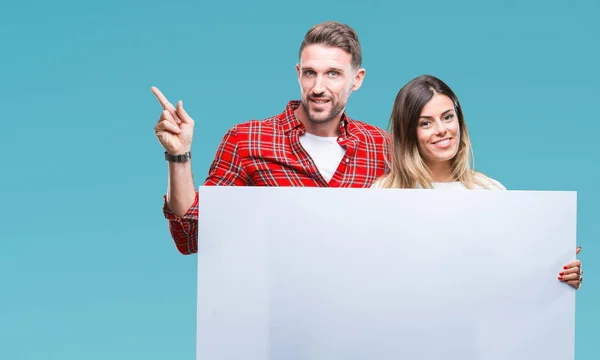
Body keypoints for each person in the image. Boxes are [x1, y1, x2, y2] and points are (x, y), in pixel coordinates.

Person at [152, 21, 390, 255]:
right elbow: (192, 237)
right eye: (310, 73)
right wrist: (178, 154)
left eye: (333, 74)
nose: (318, 87)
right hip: (276, 294)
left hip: (356, 293)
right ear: (298, 74)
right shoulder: (247, 140)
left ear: (357, 79)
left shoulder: (380, 146)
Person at [372, 74, 584, 289]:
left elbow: (511, 274)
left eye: (447, 117)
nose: (441, 129)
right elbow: (371, 274)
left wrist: (557, 277)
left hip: (478, 321)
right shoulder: (383, 193)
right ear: (409, 133)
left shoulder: (489, 191)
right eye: (426, 123)